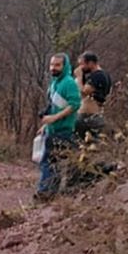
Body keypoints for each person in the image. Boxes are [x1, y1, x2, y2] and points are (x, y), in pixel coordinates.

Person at [35, 53, 81, 201]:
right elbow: (52, 106)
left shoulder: (69, 83)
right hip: (52, 129)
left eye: (57, 65)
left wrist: (55, 118)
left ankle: (46, 191)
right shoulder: (54, 84)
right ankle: (51, 192)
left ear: (64, 66)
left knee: (48, 161)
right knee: (53, 161)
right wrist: (45, 125)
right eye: (52, 65)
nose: (53, 68)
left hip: (64, 130)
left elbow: (75, 104)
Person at [73, 52, 112, 141]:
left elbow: (83, 92)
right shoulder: (102, 74)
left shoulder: (98, 75)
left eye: (82, 64)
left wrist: (79, 77)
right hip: (92, 113)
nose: (80, 68)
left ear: (90, 63)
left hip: (89, 114)